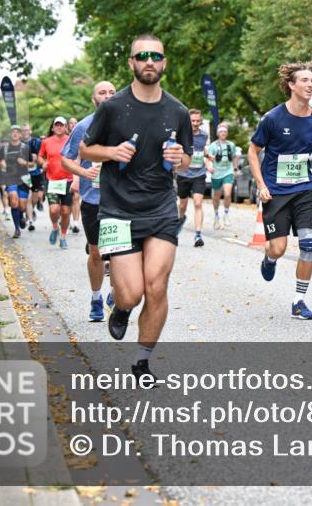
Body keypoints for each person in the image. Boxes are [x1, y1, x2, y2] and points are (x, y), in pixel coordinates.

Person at [80, 34, 192, 379]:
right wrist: (111, 152)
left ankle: (142, 360)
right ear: (131, 62)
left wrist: (179, 158)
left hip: (160, 209)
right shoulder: (113, 108)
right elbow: (85, 150)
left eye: (155, 56)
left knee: (157, 286)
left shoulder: (178, 111)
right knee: (130, 294)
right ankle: (122, 308)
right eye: (141, 56)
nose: (148, 61)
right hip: (117, 210)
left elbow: (186, 160)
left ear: (163, 64)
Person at [247, 62, 312, 321]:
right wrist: (261, 186)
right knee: (279, 249)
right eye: (304, 80)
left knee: (308, 244)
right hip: (275, 193)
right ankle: (269, 259)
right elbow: (253, 152)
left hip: (304, 190)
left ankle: (299, 301)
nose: (310, 85)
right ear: (291, 85)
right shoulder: (272, 119)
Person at [62, 81, 118, 322]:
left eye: (112, 92)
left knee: (118, 252)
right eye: (102, 92)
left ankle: (115, 293)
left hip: (121, 200)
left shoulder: (126, 125)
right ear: (94, 98)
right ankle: (96, 298)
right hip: (93, 200)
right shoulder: (83, 126)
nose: (107, 96)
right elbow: (67, 159)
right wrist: (83, 173)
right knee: (96, 252)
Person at [38, 117, 75, 248]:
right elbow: (40, 156)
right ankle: (55, 227)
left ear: (66, 127)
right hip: (52, 180)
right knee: (54, 209)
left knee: (65, 211)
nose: (59, 127)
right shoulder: (46, 142)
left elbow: (77, 156)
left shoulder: (71, 140)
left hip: (68, 181)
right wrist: (43, 163)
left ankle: (63, 236)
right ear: (53, 128)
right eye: (56, 125)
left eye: (62, 125)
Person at [175, 109, 209, 246]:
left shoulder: (204, 136)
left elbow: (201, 150)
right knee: (182, 205)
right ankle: (180, 222)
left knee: (198, 203)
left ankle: (198, 235)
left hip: (199, 174)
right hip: (183, 174)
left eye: (197, 121)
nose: (195, 123)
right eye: (192, 120)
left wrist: (208, 156)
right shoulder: (181, 135)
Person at [0, 125, 31, 238]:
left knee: (22, 206)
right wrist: (1, 164)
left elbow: (33, 164)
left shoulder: (26, 148)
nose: (15, 134)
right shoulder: (4, 149)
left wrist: (24, 163)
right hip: (10, 177)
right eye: (13, 132)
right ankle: (17, 229)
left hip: (24, 178)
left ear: (20, 134)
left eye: (17, 132)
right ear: (10, 134)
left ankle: (21, 216)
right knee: (14, 200)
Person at [207, 122, 240, 229]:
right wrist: (209, 166)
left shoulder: (231, 145)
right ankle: (216, 216)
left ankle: (226, 214)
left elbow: (234, 157)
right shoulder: (213, 146)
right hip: (216, 174)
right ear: (217, 133)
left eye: (225, 132)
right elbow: (207, 158)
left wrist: (235, 169)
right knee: (216, 196)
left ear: (227, 133)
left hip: (228, 172)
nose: (223, 133)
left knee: (227, 194)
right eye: (221, 131)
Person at [22, 124, 44, 230]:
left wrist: (37, 157)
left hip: (35, 173)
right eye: (23, 130)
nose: (25, 132)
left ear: (30, 131)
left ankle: (31, 210)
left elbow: (44, 154)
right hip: (24, 174)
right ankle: (30, 221)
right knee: (28, 197)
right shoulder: (19, 144)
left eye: (27, 130)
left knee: (35, 198)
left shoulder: (36, 142)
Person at [67, 116, 82, 234]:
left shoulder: (81, 136)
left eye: (75, 123)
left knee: (76, 196)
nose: (73, 125)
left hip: (78, 170)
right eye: (71, 123)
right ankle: (69, 220)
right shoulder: (65, 139)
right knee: (69, 200)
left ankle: (76, 222)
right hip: (65, 172)